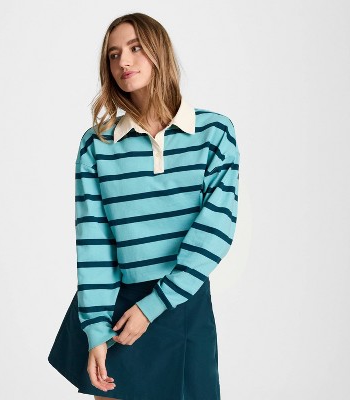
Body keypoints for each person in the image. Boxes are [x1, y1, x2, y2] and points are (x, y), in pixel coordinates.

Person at [48, 12, 240, 400]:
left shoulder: (213, 133)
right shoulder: (97, 145)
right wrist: (96, 330)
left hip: (181, 301)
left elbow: (216, 230)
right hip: (111, 305)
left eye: (136, 48)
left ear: (159, 53)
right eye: (114, 54)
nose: (124, 61)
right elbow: (94, 243)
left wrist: (154, 306)